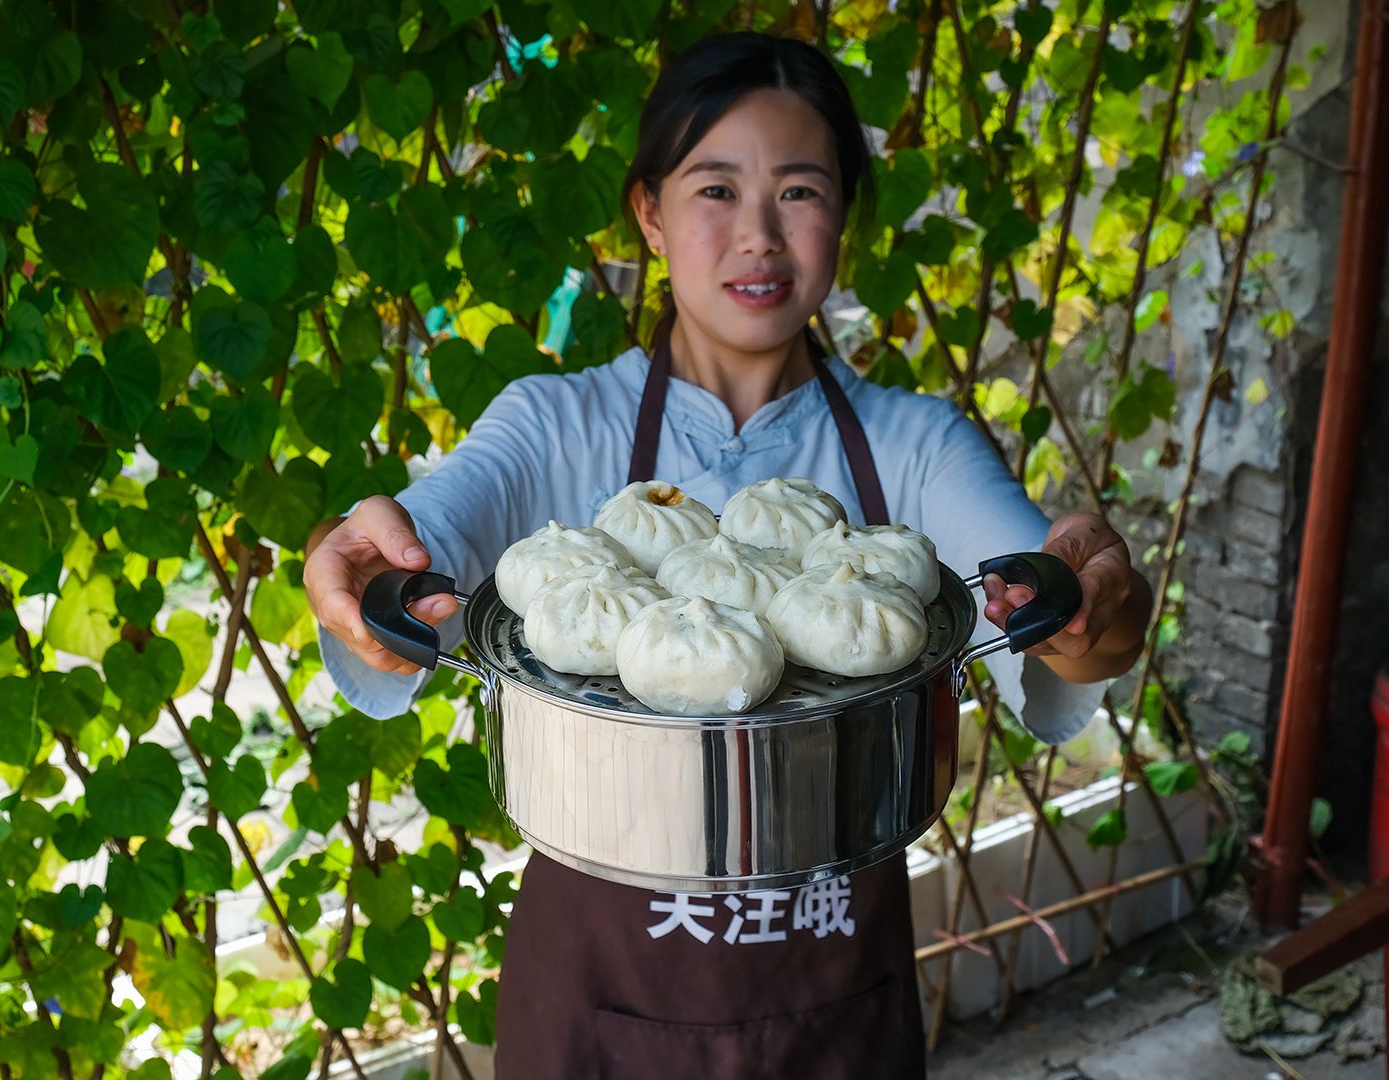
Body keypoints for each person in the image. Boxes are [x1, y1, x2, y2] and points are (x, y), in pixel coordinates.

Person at [305, 31, 1151, 1080]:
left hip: (832, 987)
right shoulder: (551, 427)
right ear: (649, 213)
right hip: (601, 991)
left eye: (800, 191)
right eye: (715, 189)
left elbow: (1050, 611)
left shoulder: (915, 447)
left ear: (843, 216)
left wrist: (1094, 606)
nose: (758, 235)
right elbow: (410, 547)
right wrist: (359, 565)